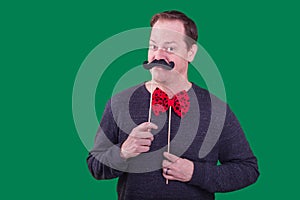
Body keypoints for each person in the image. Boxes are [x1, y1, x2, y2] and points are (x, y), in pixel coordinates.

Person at [87, 10, 259, 200]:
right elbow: (95, 165)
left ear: (191, 53)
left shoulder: (216, 109)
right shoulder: (119, 102)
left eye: (169, 48)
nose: (158, 56)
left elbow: (247, 169)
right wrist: (123, 152)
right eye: (153, 46)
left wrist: (195, 173)